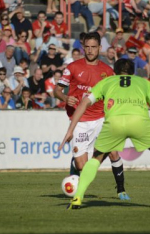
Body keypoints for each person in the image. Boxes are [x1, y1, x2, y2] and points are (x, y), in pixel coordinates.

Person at [59, 59, 150, 210]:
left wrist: (70, 130)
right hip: (139, 122)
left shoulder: (106, 82)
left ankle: (78, 198)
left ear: (114, 71)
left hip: (114, 124)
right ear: (133, 72)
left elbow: (84, 103)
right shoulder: (144, 83)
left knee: (96, 158)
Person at [54, 32, 129, 200]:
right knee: (83, 167)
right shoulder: (72, 68)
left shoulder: (108, 71)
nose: (90, 50)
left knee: (114, 153)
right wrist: (66, 98)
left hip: (101, 118)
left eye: (93, 47)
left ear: (100, 48)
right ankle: (76, 164)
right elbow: (56, 91)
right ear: (83, 48)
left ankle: (121, 189)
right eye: (87, 47)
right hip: (79, 121)